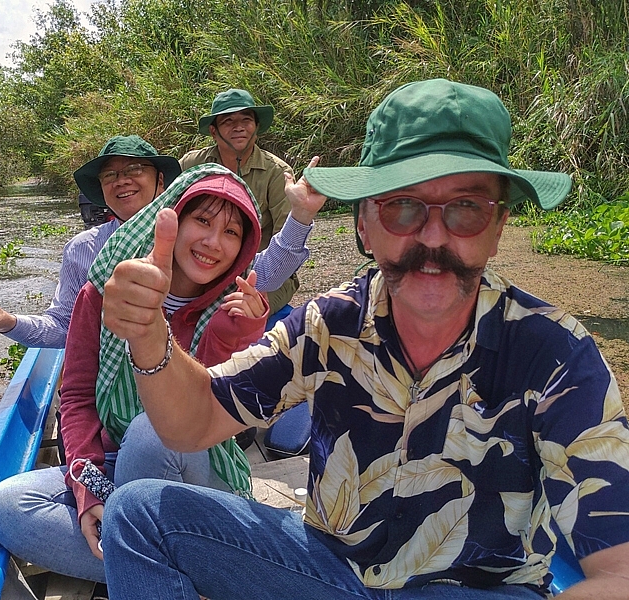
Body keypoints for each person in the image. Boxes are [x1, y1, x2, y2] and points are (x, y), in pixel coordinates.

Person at [99, 79, 629, 599]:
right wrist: (150, 335)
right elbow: (191, 423)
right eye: (402, 206)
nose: (433, 238)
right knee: (139, 513)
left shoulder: (556, 354)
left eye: (467, 207)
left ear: (498, 226)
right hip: (331, 572)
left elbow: (620, 573)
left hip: (474, 589)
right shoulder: (328, 325)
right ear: (364, 225)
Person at [0, 164, 269, 583]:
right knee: (9, 504)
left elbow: (215, 418)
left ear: (244, 248)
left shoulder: (233, 311)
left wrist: (236, 336)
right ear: (173, 220)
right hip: (116, 465)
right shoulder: (104, 291)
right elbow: (78, 396)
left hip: (195, 472)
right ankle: (185, 574)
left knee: (152, 428)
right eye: (203, 221)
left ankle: (151, 569)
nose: (213, 242)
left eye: (231, 232)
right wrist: (88, 488)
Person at [0, 135, 318, 348]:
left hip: (195, 377)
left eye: (134, 169)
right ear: (101, 192)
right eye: (110, 176)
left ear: (160, 181)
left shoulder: (194, 237)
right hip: (116, 387)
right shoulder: (84, 250)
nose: (121, 180)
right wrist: (8, 322)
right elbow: (66, 328)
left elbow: (266, 272)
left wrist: (300, 217)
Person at [181, 88, 301, 317]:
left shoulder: (277, 173)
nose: (239, 127)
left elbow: (287, 239)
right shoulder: (192, 164)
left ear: (256, 129)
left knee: (239, 317)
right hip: (203, 267)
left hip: (260, 275)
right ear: (214, 132)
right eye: (228, 121)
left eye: (246, 120)